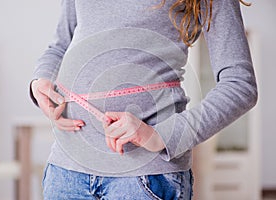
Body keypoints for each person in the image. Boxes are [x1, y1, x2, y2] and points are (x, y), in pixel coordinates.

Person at [30, 0, 257, 199]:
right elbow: (60, 45)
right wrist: (41, 80)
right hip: (66, 171)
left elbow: (240, 85)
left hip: (145, 178)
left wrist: (160, 136)